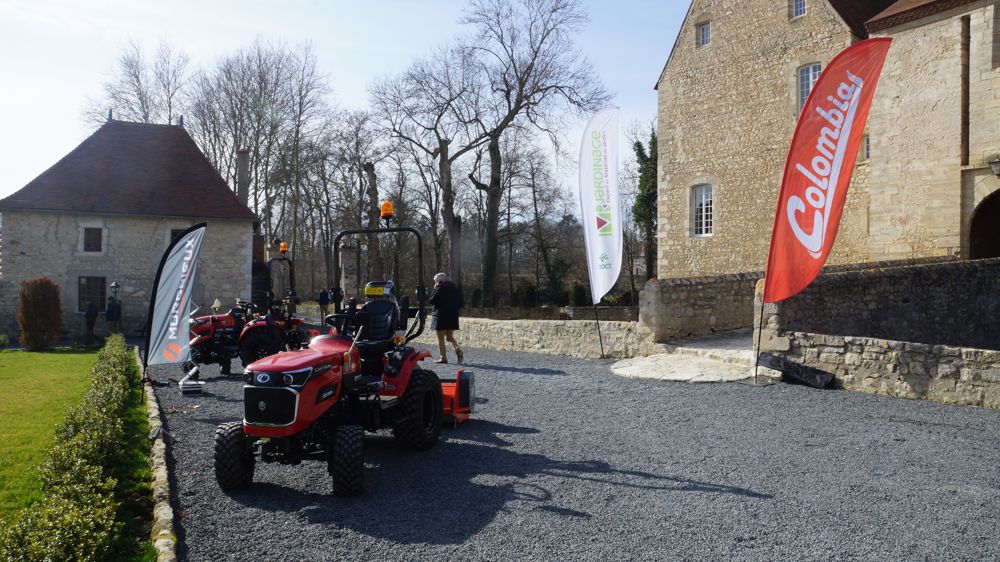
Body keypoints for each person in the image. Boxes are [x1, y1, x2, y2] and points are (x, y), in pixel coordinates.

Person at [429, 272, 463, 364]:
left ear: (439, 281)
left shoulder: (439, 287)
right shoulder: (455, 288)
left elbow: (432, 300)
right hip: (452, 317)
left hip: (441, 317)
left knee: (440, 338)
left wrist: (435, 288)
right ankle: (458, 350)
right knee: (449, 337)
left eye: (435, 281)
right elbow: (460, 303)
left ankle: (443, 358)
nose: (435, 283)